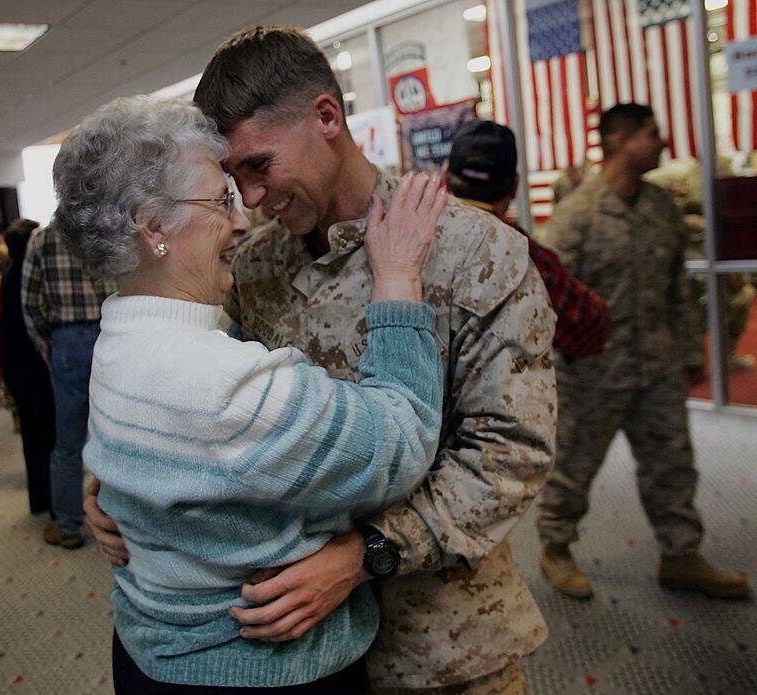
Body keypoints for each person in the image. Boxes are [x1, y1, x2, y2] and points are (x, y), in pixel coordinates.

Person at [87, 26, 557, 693]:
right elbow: (197, 403)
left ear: (328, 117)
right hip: (297, 655)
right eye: (233, 180)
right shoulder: (256, 265)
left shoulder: (471, 251)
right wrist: (119, 481)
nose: (251, 199)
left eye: (259, 165)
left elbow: (511, 455)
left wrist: (367, 554)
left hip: (440, 643)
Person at [58, 96, 446, 693]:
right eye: (221, 201)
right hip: (261, 673)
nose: (243, 220)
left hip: (152, 655)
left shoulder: (119, 336)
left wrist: (116, 491)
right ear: (153, 227)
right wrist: (397, 280)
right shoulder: (222, 387)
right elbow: (402, 441)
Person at [535, 103, 751, 601]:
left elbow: (678, 288)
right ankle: (556, 546)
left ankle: (681, 554)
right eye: (652, 134)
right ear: (620, 141)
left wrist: (691, 350)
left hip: (657, 365)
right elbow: (551, 302)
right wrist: (556, 370)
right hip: (592, 371)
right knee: (574, 467)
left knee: (672, 463)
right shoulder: (577, 215)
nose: (662, 143)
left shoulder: (661, 207)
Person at [447, 120, 611, 359]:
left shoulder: (409, 242)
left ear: (445, 178)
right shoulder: (524, 255)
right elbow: (588, 329)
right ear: (515, 186)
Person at [21, 221, 117, 548]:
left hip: (67, 340)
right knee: (114, 434)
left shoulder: (42, 240)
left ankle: (67, 525)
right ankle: (120, 521)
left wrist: (46, 343)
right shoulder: (102, 230)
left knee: (68, 441)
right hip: (109, 333)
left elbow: (29, 302)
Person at [0, 219, 55, 516]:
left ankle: (39, 498)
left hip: (14, 362)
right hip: (33, 363)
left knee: (31, 432)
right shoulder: (30, 276)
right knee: (48, 431)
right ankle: (56, 501)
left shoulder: (9, 275)